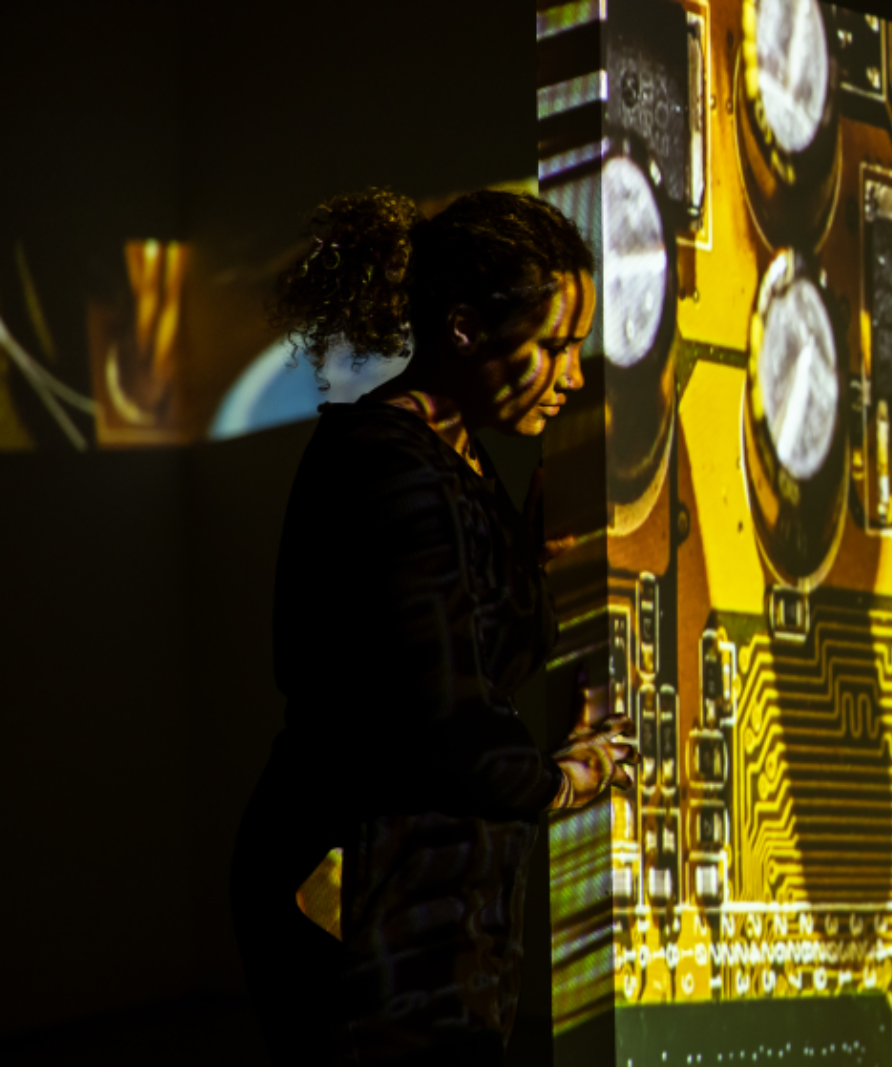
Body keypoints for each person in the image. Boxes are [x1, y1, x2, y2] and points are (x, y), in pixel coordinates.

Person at [231, 188, 638, 1066]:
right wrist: (570, 779)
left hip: (433, 903)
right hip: (362, 898)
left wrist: (529, 554)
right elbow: (449, 720)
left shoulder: (459, 459)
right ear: (462, 328)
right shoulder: (390, 469)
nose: (573, 375)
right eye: (553, 346)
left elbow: (469, 645)